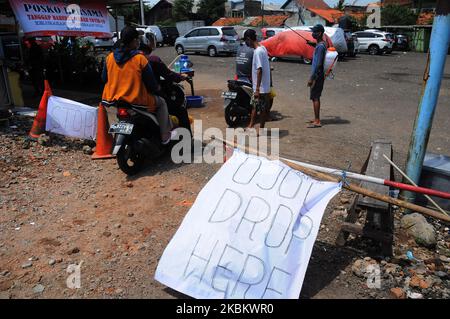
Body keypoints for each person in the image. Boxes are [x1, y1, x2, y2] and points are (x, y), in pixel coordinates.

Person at [102, 26, 174, 144]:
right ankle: (165, 135)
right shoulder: (140, 59)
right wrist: (158, 90)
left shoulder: (109, 58)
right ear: (134, 41)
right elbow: (151, 83)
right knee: (161, 103)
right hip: (136, 100)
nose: (138, 42)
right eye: (137, 39)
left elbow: (104, 78)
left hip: (115, 99)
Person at [138, 34, 192, 135]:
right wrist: (180, 77)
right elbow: (168, 75)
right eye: (151, 41)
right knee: (180, 111)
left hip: (129, 97)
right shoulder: (152, 59)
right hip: (148, 97)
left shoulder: (127, 59)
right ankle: (186, 140)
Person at [243, 29, 271, 131]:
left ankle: (253, 127)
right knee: (259, 108)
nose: (246, 43)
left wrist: (257, 89)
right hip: (264, 86)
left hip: (261, 88)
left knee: (257, 108)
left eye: (246, 41)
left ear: (249, 39)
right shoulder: (262, 48)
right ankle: (256, 127)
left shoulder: (258, 52)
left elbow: (259, 70)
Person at [307, 24, 327, 128]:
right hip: (318, 75)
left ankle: (317, 121)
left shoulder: (320, 47)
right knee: (315, 97)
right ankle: (316, 118)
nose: (312, 34)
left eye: (314, 32)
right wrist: (312, 44)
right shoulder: (321, 44)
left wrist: (312, 77)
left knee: (315, 97)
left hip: (317, 76)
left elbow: (318, 64)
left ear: (319, 33)